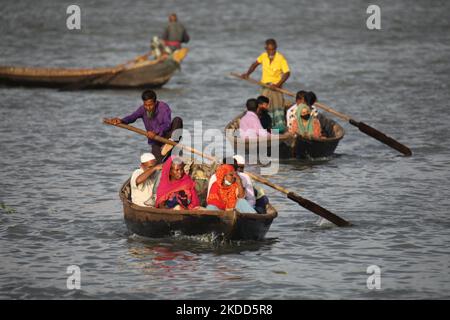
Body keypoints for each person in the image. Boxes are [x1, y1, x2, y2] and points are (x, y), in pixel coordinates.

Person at [107, 89, 183, 163]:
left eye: (150, 105)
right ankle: (165, 150)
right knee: (158, 163)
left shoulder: (163, 107)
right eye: (146, 105)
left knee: (177, 120)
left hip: (167, 136)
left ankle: (170, 144)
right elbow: (132, 117)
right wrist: (121, 120)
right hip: (155, 141)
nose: (148, 108)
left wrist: (155, 131)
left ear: (155, 102)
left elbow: (167, 124)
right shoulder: (142, 109)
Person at [241, 38, 290, 133]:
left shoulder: (280, 58)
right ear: (266, 49)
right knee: (263, 107)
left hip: (276, 88)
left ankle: (278, 130)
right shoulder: (263, 56)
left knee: (277, 108)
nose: (271, 52)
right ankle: (265, 128)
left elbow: (287, 73)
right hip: (265, 86)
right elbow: (254, 64)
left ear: (276, 48)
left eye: (273, 49)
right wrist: (247, 74)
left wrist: (278, 84)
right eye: (269, 49)